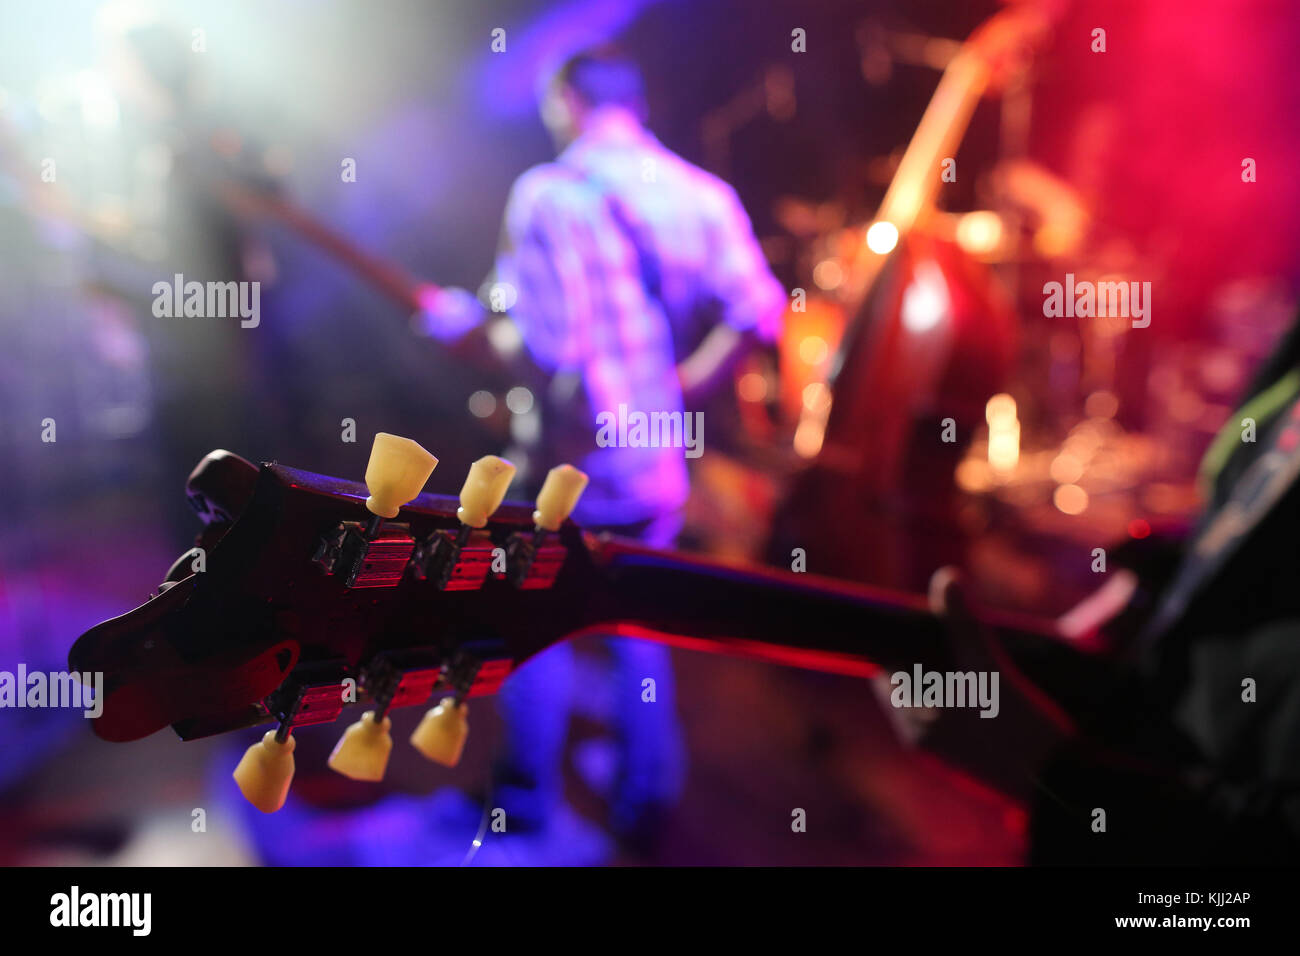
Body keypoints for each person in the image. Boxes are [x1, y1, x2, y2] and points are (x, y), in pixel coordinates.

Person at [418, 47, 786, 859]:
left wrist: (468, 331)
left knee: (532, 627)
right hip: (653, 463)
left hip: (567, 470)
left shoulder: (546, 196)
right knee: (637, 623)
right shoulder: (699, 192)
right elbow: (761, 311)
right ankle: (646, 802)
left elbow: (547, 349)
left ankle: (525, 806)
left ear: (567, 104)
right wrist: (682, 385)